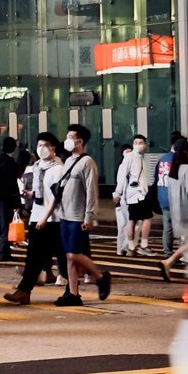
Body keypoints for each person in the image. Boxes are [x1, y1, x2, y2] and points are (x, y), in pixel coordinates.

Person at [54, 124, 111, 307]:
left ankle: (101, 276)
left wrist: (90, 216)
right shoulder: (69, 160)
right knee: (68, 256)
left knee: (73, 255)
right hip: (65, 215)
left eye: (70, 137)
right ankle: (73, 293)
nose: (67, 140)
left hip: (78, 217)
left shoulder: (88, 163)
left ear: (80, 141)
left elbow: (92, 191)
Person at [4, 132, 64, 305]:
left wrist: (44, 218)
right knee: (36, 256)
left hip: (52, 219)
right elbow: (43, 192)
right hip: (38, 215)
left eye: (45, 145)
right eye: (38, 145)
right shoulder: (37, 167)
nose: (41, 149)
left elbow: (56, 197)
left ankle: (92, 279)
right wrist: (31, 194)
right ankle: (24, 291)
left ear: (53, 148)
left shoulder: (58, 169)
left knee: (63, 256)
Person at [157, 140, 188, 281]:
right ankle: (187, 272)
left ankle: (170, 262)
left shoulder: (172, 169)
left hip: (175, 211)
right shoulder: (187, 168)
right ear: (186, 152)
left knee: (185, 243)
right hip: (187, 210)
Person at [115, 134, 155, 256]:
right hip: (137, 194)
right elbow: (122, 176)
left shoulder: (139, 158)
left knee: (132, 220)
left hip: (135, 194)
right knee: (147, 218)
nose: (138, 145)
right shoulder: (130, 157)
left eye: (141, 142)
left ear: (145, 145)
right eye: (136, 142)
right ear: (133, 144)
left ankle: (131, 247)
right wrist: (118, 192)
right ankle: (143, 245)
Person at [155, 134, 182, 259]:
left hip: (163, 196)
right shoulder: (177, 159)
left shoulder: (162, 159)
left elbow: (156, 178)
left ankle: (167, 252)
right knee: (182, 227)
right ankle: (181, 254)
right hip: (175, 197)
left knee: (167, 227)